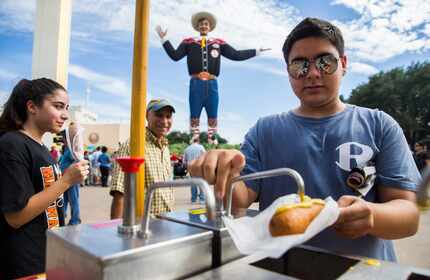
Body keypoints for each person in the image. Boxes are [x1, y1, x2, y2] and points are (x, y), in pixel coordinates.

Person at [188, 18, 421, 262]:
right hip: (281, 270)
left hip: (365, 272)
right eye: (299, 64)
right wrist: (219, 170)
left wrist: (372, 215)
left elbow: (409, 214)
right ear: (288, 70)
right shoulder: (264, 130)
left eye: (325, 62)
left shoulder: (379, 125)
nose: (312, 73)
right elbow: (239, 197)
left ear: (343, 64)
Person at [0, 78, 89, 279]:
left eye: (66, 108)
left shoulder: (42, 149)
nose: (65, 115)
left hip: (47, 255)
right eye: (58, 106)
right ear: (32, 106)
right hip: (23, 264)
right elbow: (16, 217)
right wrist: (66, 181)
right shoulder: (12, 144)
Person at [156, 11, 269, 144]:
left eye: (206, 24)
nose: (203, 26)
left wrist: (256, 51)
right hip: (195, 83)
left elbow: (236, 55)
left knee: (213, 113)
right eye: (201, 24)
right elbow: (175, 56)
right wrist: (164, 39)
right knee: (194, 113)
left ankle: (212, 140)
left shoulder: (218, 42)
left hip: (212, 83)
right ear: (197, 27)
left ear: (210, 27)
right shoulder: (189, 42)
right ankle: (194, 141)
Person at [110, 99, 176, 219]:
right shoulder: (134, 144)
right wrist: (116, 232)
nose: (164, 121)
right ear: (147, 115)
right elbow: (119, 193)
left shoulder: (165, 147)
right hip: (143, 226)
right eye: (159, 115)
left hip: (165, 221)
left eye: (168, 116)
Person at [59, 122, 82, 225]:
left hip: (72, 179)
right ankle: (62, 216)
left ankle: (75, 219)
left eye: (64, 137)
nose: (63, 139)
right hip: (65, 179)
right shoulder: (67, 149)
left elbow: (76, 160)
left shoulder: (73, 150)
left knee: (73, 200)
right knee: (64, 199)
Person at [183, 138, 206, 203]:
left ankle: (193, 199)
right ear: (198, 141)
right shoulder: (201, 147)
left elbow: (184, 161)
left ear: (193, 141)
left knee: (193, 184)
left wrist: (186, 168)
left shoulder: (187, 148)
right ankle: (202, 199)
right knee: (201, 183)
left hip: (191, 168)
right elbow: (205, 156)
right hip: (199, 167)